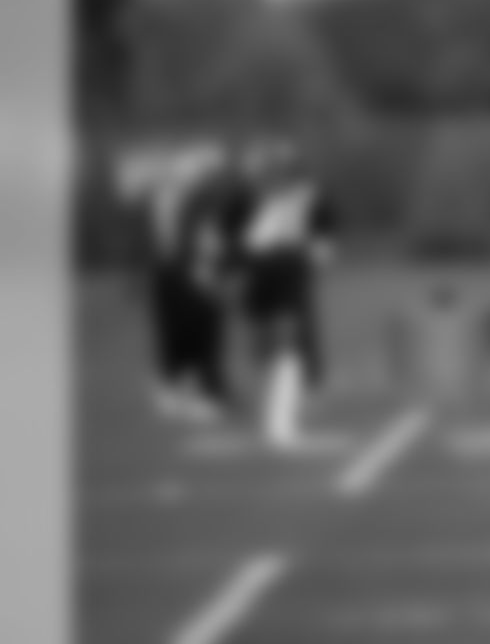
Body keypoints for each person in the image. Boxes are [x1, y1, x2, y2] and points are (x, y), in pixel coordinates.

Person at [117, 141, 231, 422]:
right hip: (174, 270)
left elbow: (207, 235)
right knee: (182, 330)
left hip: (187, 268)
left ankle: (201, 388)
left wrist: (209, 265)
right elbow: (147, 235)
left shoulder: (195, 198)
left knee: (197, 328)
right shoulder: (166, 197)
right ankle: (188, 390)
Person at [235, 138, 337, 450]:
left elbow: (321, 249)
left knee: (285, 351)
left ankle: (280, 423)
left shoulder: (303, 199)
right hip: (270, 276)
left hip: (281, 276)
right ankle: (278, 422)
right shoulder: (259, 200)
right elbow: (247, 243)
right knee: (274, 352)